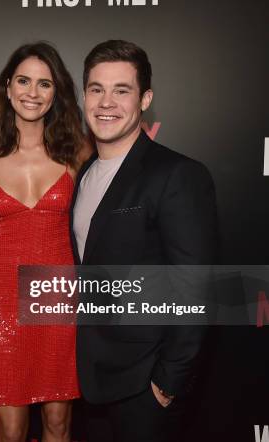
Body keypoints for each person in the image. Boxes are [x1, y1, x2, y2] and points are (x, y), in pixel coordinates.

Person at [72, 40, 219, 442]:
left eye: (122, 90)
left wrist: (166, 385)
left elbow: (196, 287)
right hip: (93, 383)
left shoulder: (177, 175)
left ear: (145, 98)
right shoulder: (84, 174)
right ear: (84, 95)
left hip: (145, 386)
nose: (106, 102)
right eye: (96, 89)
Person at [0, 42, 88, 442]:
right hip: (3, 305)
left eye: (44, 83)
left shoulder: (78, 153)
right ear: (6, 87)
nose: (32, 92)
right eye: (23, 80)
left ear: (57, 93)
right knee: (10, 429)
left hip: (58, 300)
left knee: (58, 424)